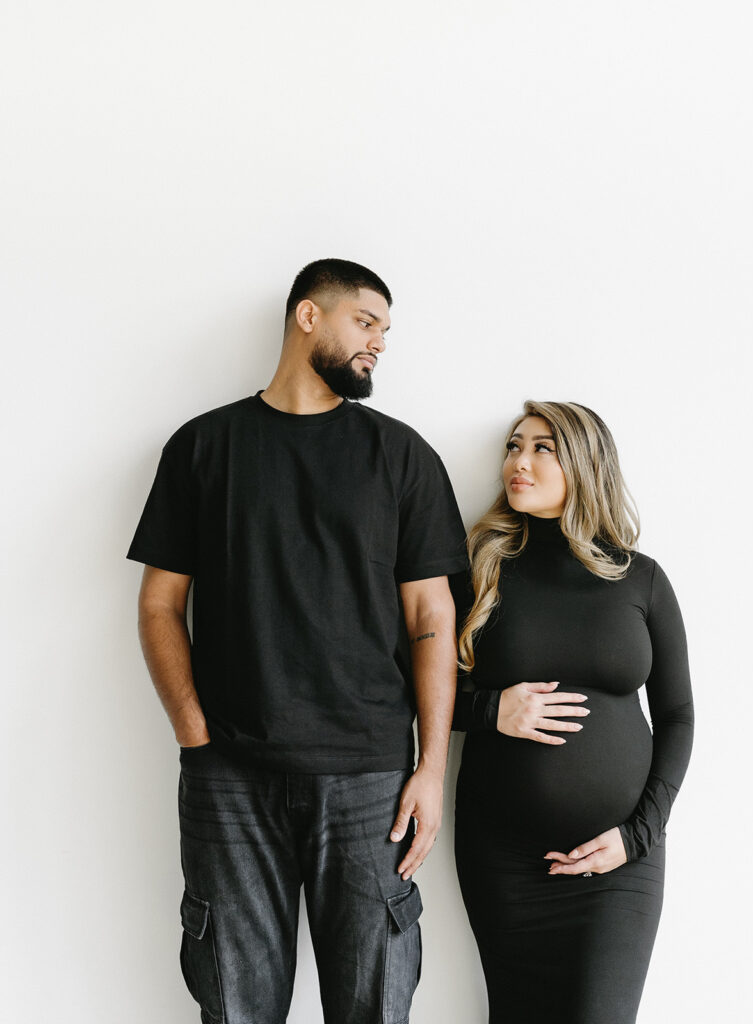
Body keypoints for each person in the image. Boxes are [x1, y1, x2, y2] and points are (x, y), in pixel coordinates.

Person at [127, 259, 467, 1024]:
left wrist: (430, 768)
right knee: (236, 1007)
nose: (379, 342)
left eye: (386, 331)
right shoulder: (203, 446)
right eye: (366, 322)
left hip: (370, 779)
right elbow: (159, 605)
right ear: (308, 316)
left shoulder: (401, 456)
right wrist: (194, 735)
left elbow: (432, 621)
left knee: (374, 1006)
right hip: (231, 780)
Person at [453, 400, 694, 1024]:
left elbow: (679, 715)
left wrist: (639, 836)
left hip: (619, 859)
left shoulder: (641, 580)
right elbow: (412, 692)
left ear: (585, 464)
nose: (519, 461)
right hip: (502, 857)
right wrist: (490, 710)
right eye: (513, 445)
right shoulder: (482, 570)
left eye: (541, 448)